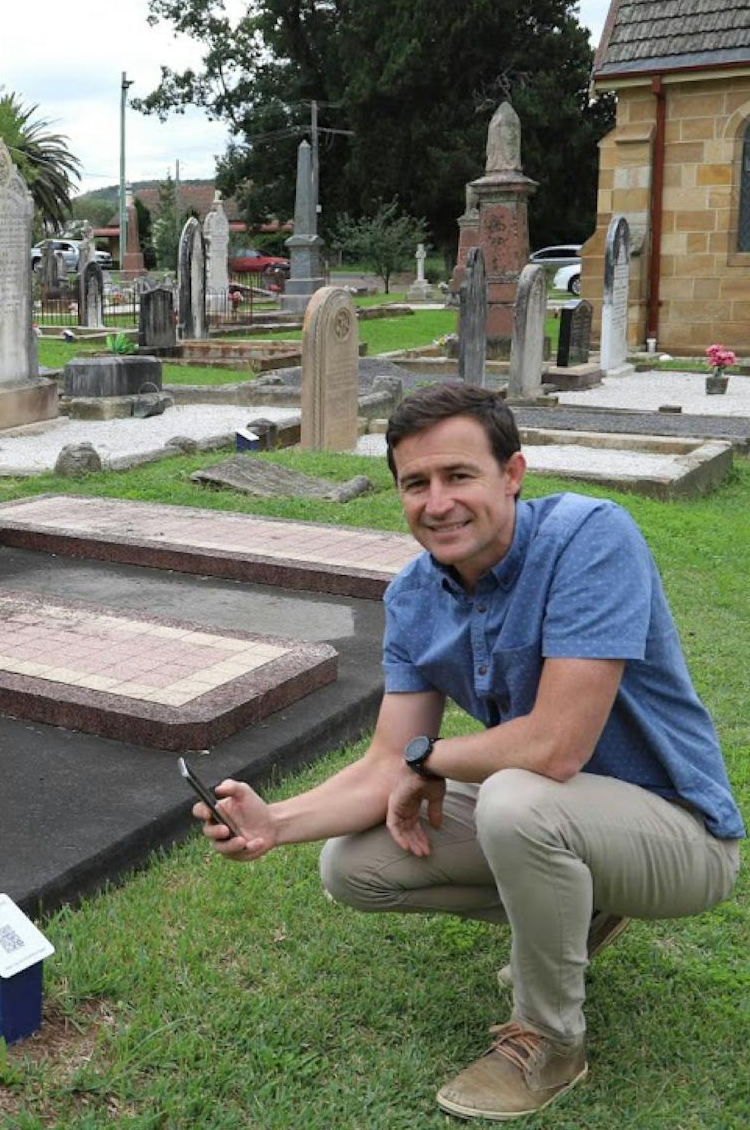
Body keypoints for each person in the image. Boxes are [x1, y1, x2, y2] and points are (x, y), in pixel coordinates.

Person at [192, 382, 742, 1120]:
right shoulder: (415, 597)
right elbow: (391, 759)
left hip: (680, 838)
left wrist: (430, 760)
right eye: (415, 483)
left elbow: (553, 747)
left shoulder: (590, 538)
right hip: (563, 818)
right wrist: (274, 824)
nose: (437, 502)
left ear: (511, 474)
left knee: (518, 801)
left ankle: (550, 1041)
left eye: (459, 476)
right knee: (356, 868)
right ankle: (576, 910)